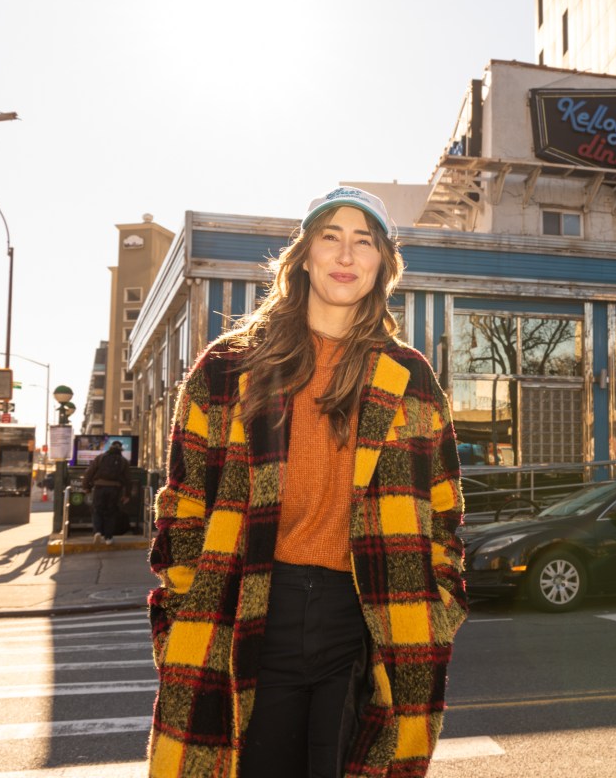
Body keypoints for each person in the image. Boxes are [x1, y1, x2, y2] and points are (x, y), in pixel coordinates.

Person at [147, 187, 467, 778]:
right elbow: (182, 504)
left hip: (369, 616)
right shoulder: (229, 368)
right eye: (331, 236)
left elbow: (444, 511)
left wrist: (439, 602)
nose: (346, 254)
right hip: (248, 609)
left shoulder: (409, 379)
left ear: (381, 265)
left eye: (364, 241)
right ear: (304, 256)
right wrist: (188, 594)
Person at [83, 440, 131, 545]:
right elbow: (128, 479)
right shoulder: (124, 461)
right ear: (121, 450)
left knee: (97, 510)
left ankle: (97, 532)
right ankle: (108, 538)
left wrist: (86, 487)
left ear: (110, 448)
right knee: (111, 513)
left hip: (99, 488)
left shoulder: (100, 458)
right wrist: (127, 495)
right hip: (114, 490)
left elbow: (89, 472)